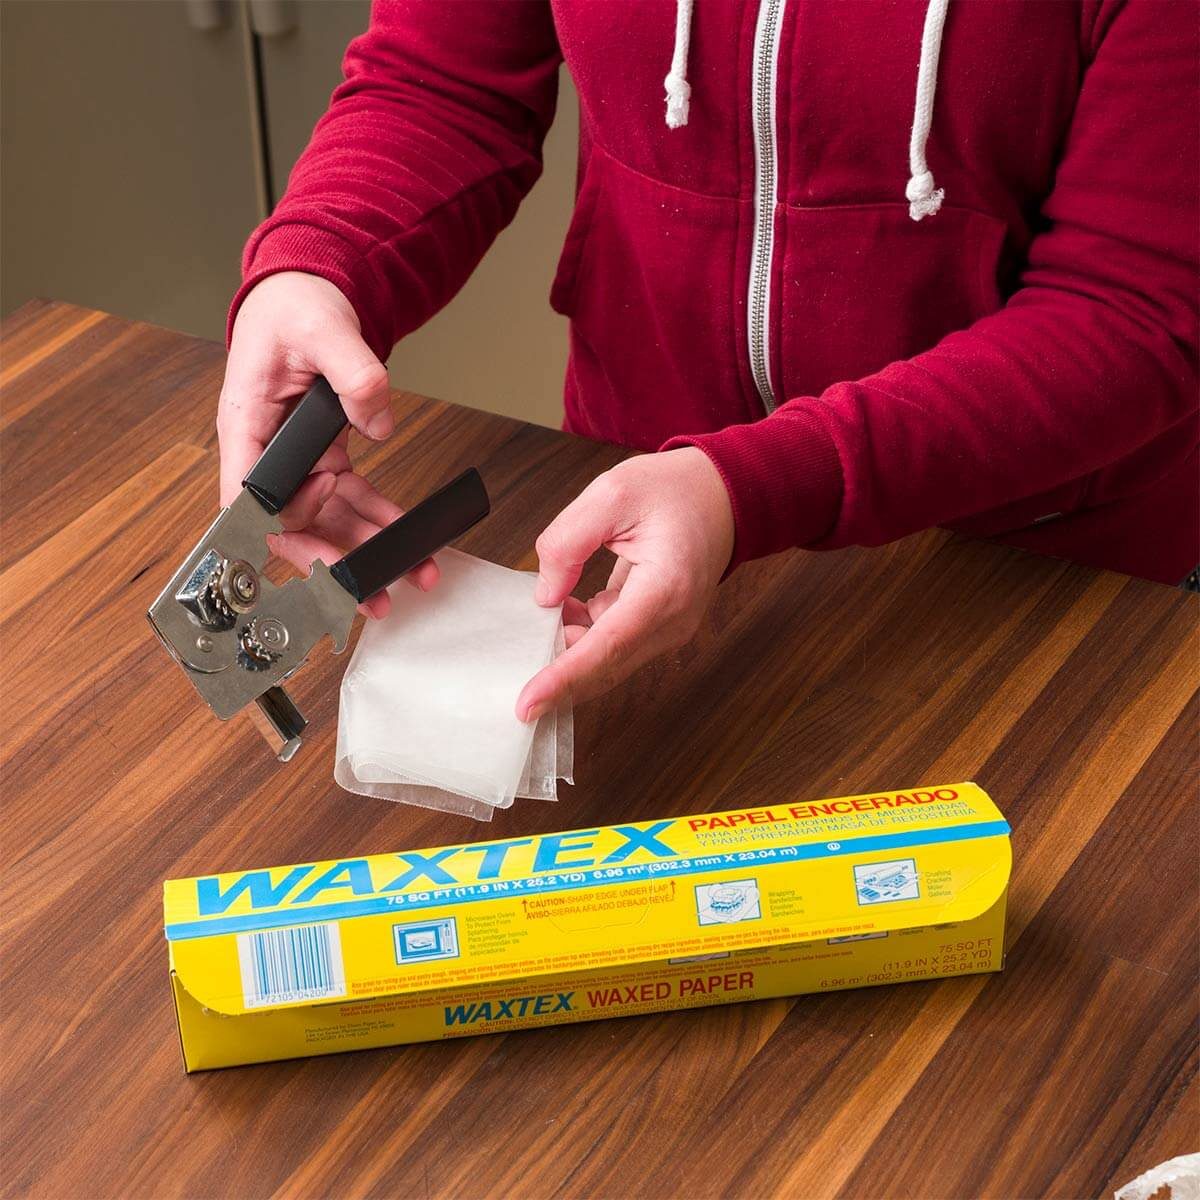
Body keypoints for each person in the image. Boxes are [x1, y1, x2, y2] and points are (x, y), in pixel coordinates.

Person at [218, 0, 1198, 725]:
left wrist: (750, 487)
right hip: (645, 523)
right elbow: (443, 84)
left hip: (1048, 579)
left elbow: (1134, 304)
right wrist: (317, 264)